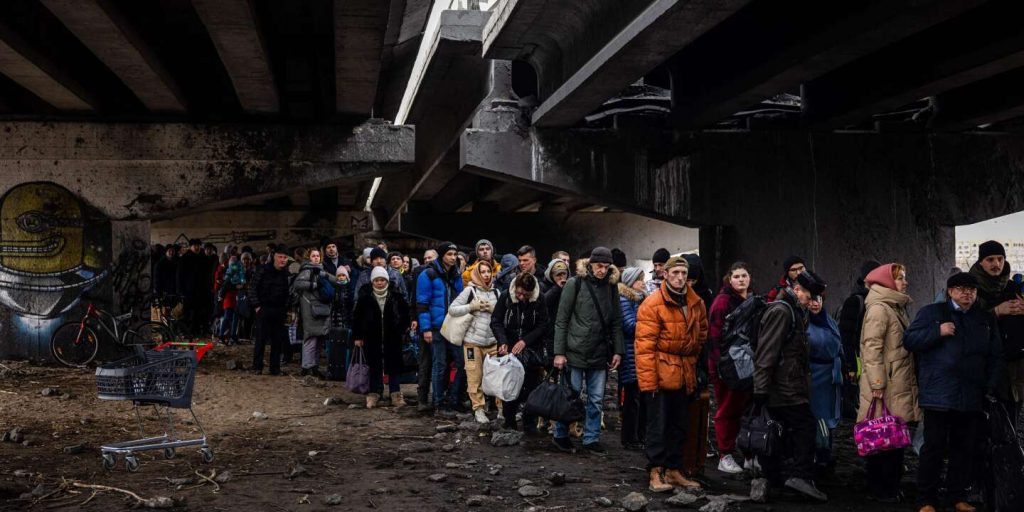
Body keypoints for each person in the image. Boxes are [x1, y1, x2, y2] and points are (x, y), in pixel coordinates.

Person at [904, 272, 1002, 512]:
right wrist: (937, 332)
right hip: (938, 394)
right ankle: (926, 499)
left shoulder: (984, 318)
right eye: (961, 289)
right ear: (950, 291)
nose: (967, 293)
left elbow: (995, 355)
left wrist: (990, 385)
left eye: (972, 290)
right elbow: (910, 340)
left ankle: (956, 496)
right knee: (933, 448)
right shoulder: (932, 313)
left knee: (964, 448)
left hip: (971, 394)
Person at [753, 270, 828, 502]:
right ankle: (799, 476)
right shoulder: (782, 311)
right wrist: (760, 389)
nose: (811, 302)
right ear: (796, 290)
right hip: (784, 386)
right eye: (808, 297)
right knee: (804, 427)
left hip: (788, 384)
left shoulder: (794, 311)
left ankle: (775, 478)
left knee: (780, 430)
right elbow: (767, 352)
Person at [635, 255, 705, 492]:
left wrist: (694, 363)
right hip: (661, 371)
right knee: (658, 426)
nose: (680, 277)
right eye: (675, 273)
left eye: (683, 273)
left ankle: (674, 470)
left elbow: (702, 334)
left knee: (679, 424)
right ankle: (655, 471)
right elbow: (644, 347)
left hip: (685, 371)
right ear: (665, 274)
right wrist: (649, 383)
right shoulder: (652, 304)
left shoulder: (695, 302)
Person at [856, 263, 919, 502]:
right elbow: (871, 348)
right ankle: (882, 488)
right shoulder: (880, 309)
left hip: (894, 381)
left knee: (891, 436)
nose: (905, 282)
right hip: (886, 385)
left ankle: (886, 487)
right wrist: (877, 383)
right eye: (900, 278)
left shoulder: (893, 306)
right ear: (887, 282)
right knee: (883, 436)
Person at [552, 247, 623, 453]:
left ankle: (591, 438)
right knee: (570, 396)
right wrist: (559, 353)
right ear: (590, 264)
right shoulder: (575, 283)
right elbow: (562, 320)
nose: (602, 270)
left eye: (606, 267)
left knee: (596, 400)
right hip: (574, 351)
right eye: (599, 266)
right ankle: (561, 434)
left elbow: (616, 321)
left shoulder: (611, 287)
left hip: (599, 352)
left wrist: (618, 351)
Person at [707, 262, 755, 475]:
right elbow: (714, 336)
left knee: (747, 409)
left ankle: (748, 454)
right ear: (729, 279)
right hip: (727, 364)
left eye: (744, 275)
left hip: (747, 362)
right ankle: (725, 455)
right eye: (736, 276)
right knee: (727, 408)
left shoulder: (751, 300)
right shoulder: (722, 302)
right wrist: (719, 366)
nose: (741, 280)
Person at [969, 241, 1024, 417]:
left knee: (1011, 413)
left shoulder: (1013, 287)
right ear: (981, 262)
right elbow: (965, 321)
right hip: (983, 361)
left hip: (1013, 362)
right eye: (990, 259)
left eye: (1000, 259)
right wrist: (996, 312)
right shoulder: (970, 288)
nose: (996, 264)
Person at [492, 272, 549, 433]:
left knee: (531, 387)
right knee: (510, 387)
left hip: (531, 349)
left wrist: (525, 341)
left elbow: (543, 324)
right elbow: (496, 321)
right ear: (515, 287)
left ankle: (529, 423)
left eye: (526, 294)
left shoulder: (539, 299)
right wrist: (502, 341)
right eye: (519, 293)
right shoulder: (506, 296)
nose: (522, 297)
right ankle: (509, 421)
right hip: (509, 348)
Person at [417, 242, 466, 416]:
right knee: (439, 365)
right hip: (436, 327)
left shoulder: (456, 274)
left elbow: (461, 299)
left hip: (453, 326)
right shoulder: (427, 274)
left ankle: (454, 399)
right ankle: (438, 404)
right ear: (442, 255)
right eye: (449, 254)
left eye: (454, 254)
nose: (453, 257)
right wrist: (426, 328)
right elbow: (422, 303)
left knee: (462, 363)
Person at [448, 260, 500, 423]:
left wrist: (494, 309)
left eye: (488, 271)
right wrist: (471, 307)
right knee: (474, 376)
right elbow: (452, 309)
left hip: (493, 342)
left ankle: (501, 409)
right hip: (472, 342)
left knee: (497, 377)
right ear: (477, 274)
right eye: (483, 272)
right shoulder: (469, 290)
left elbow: (503, 315)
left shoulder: (497, 292)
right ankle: (478, 409)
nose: (486, 275)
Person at [353, 267, 411, 408]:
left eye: (382, 280)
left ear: (387, 281)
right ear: (372, 281)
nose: (380, 283)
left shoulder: (396, 296)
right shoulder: (365, 297)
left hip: (393, 336)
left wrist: (402, 329)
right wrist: (358, 336)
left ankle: (395, 393)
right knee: (374, 364)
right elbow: (357, 318)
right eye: (377, 280)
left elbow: (405, 314)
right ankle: (374, 393)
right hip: (371, 337)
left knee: (394, 365)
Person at [837, 260, 882, 419]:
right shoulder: (856, 301)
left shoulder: (877, 301)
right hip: (858, 361)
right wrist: (850, 365)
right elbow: (846, 335)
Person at [807, 292, 842, 472]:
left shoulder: (829, 320)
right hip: (813, 375)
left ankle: (824, 453)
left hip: (830, 376)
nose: (815, 304)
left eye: (818, 300)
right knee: (814, 416)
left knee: (827, 417)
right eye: (812, 300)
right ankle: (815, 453)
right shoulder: (803, 322)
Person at [291, 248, 338, 378]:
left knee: (318, 340)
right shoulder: (307, 271)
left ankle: (313, 366)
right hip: (310, 310)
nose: (316, 258)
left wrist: (335, 277)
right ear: (308, 257)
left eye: (318, 256)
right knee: (311, 339)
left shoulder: (321, 271)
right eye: (313, 256)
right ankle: (307, 366)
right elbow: (298, 284)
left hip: (320, 309)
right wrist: (315, 285)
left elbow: (336, 280)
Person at [617, 266, 647, 451]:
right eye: (639, 280)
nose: (643, 283)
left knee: (638, 398)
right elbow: (629, 325)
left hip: (637, 353)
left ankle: (637, 436)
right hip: (630, 355)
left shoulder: (637, 299)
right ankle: (630, 438)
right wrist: (649, 324)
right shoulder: (625, 299)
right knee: (632, 399)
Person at [250, 245, 291, 375]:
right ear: (274, 257)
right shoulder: (262, 270)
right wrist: (257, 306)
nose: (282, 260)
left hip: (279, 310)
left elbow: (288, 293)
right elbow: (252, 288)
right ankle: (257, 367)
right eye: (280, 257)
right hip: (264, 308)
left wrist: (287, 309)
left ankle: (275, 368)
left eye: (285, 257)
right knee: (260, 339)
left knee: (277, 340)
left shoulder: (286, 274)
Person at [177, 238, 211, 338]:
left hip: (201, 291)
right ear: (190, 247)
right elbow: (179, 275)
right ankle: (186, 332)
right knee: (188, 313)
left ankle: (195, 331)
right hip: (188, 291)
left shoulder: (203, 258)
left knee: (199, 312)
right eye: (195, 245)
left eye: (198, 245)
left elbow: (207, 275)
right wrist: (180, 291)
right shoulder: (185, 258)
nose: (197, 247)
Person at [219, 255, 246, 345]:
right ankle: (222, 335)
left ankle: (232, 335)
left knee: (234, 318)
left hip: (234, 297)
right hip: (230, 298)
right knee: (228, 317)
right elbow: (225, 286)